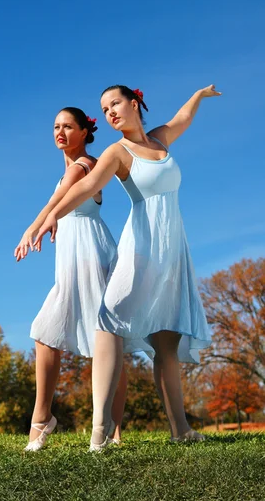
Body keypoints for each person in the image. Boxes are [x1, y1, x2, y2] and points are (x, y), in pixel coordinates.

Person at [35, 85, 221, 450]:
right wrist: (50, 217)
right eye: (104, 110)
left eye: (114, 104)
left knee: (167, 339)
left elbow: (181, 119)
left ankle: (180, 429)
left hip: (173, 250)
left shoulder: (159, 140)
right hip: (140, 246)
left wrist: (198, 95)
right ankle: (100, 430)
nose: (110, 113)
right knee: (109, 319)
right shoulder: (117, 152)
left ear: (134, 104)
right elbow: (87, 183)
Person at [15, 107, 127, 451]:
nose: (59, 132)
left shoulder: (84, 166)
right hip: (70, 260)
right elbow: (56, 202)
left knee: (106, 338)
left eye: (67, 126)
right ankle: (44, 419)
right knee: (47, 333)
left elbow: (56, 201)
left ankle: (112, 429)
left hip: (92, 256)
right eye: (55, 127)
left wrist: (32, 228)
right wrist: (38, 226)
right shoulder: (69, 169)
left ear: (84, 132)